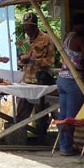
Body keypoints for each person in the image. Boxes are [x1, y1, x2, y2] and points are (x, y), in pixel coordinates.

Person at [56, 13, 84, 155]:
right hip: (73, 79)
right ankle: (66, 147)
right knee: (71, 116)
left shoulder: (67, 37)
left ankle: (63, 145)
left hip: (62, 77)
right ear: (83, 25)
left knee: (63, 116)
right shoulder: (79, 38)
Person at [13, 11, 57, 142]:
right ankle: (19, 137)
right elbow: (21, 58)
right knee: (22, 112)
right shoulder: (23, 40)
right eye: (25, 28)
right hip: (26, 80)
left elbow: (51, 61)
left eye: (30, 28)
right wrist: (21, 60)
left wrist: (33, 61)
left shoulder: (47, 39)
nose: (28, 31)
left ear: (35, 26)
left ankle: (41, 137)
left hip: (40, 81)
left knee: (41, 113)